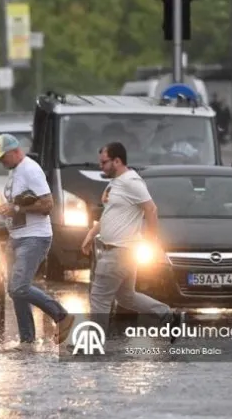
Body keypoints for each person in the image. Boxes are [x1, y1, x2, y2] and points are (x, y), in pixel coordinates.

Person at [80, 142, 183, 342]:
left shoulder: (132, 182)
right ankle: (168, 316)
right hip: (121, 251)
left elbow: (151, 209)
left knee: (99, 298)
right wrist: (91, 234)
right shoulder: (116, 183)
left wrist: (152, 240)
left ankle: (93, 345)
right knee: (126, 297)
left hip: (118, 250)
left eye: (104, 162)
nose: (100, 166)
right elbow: (110, 214)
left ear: (117, 161)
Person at [0, 133, 75, 350]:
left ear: (15, 151)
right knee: (14, 290)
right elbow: (19, 204)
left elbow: (47, 205)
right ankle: (27, 341)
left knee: (19, 287)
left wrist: (16, 208)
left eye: (3, 157)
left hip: (34, 237)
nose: (1, 162)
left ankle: (62, 316)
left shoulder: (30, 169)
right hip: (16, 237)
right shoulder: (16, 171)